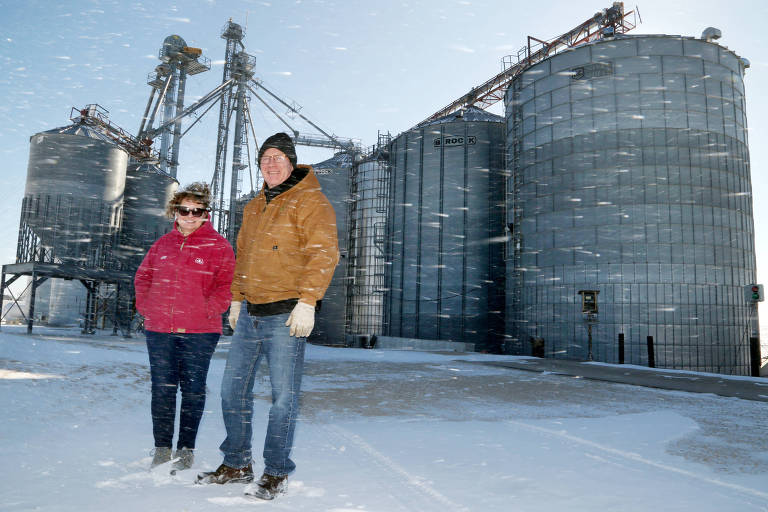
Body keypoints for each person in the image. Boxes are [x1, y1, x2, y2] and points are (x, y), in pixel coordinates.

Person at [196, 133, 339, 500]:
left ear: (291, 162)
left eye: (278, 157)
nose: (271, 164)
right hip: (250, 315)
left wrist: (308, 301)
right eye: (265, 158)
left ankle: (276, 471)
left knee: (283, 398)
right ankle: (237, 462)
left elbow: (323, 253)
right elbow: (243, 256)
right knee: (232, 390)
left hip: (286, 316)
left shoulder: (311, 200)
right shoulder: (254, 206)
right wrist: (237, 300)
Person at [134, 182, 235, 472]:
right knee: (162, 389)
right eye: (184, 210)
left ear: (206, 213)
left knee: (193, 391)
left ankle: (186, 448)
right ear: (175, 211)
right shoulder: (162, 244)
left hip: (200, 333)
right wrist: (147, 306)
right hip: (160, 330)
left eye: (197, 211)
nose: (190, 216)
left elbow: (226, 286)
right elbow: (143, 278)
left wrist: (206, 310)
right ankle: (162, 448)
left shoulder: (219, 246)